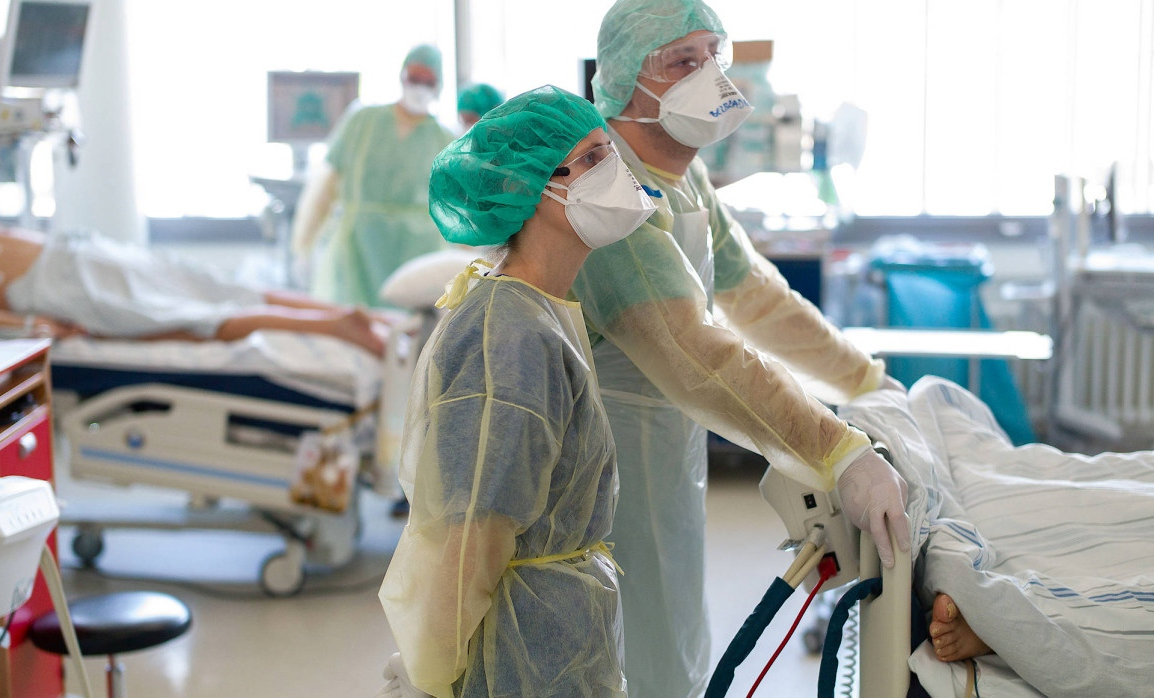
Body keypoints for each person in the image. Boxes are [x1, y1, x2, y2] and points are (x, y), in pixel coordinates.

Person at [573, 1, 911, 694]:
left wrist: (863, 380)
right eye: (684, 62)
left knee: (670, 639)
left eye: (714, 57)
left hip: (665, 447)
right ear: (626, 80)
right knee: (628, 651)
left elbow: (755, 296)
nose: (713, 79)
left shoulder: (683, 176)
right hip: (603, 467)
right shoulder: (609, 189)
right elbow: (698, 353)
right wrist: (837, 450)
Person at [376, 85, 657, 698]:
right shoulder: (507, 335)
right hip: (519, 648)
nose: (613, 171)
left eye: (608, 152)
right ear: (528, 190)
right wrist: (430, 669)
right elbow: (472, 530)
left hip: (557, 630)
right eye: (589, 160)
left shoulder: (544, 311)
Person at [0, 225, 390, 356]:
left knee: (194, 318)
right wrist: (28, 324)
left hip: (61, 283)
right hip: (77, 252)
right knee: (218, 290)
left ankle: (336, 326)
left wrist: (27, 322)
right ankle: (350, 314)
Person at [292, 44, 455, 308]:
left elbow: (458, 207)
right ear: (402, 77)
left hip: (418, 251)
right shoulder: (362, 122)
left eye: (428, 81)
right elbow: (324, 188)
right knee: (353, 326)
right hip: (358, 249)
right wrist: (304, 245)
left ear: (439, 85)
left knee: (410, 337)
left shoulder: (445, 139)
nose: (419, 87)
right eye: (414, 79)